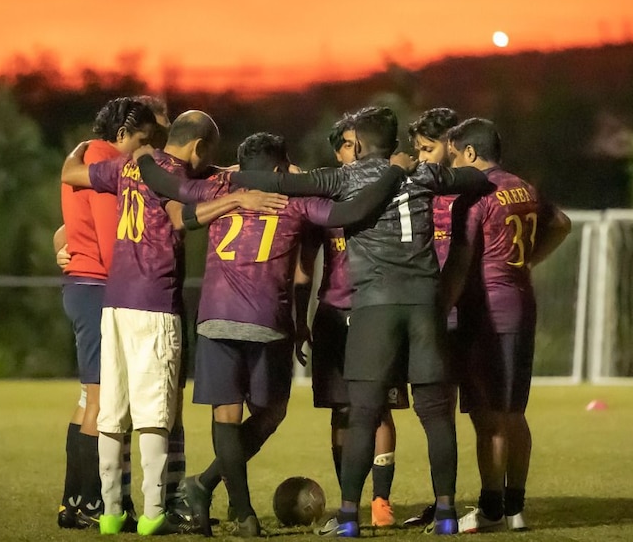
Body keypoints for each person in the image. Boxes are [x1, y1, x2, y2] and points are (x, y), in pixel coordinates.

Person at [186, 105, 493, 538]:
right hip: (425, 304)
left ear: (361, 144)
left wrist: (234, 178)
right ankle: (446, 513)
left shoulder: (342, 179)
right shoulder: (425, 176)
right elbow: (478, 178)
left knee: (362, 414)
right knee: (436, 414)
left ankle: (348, 518)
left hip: (373, 306)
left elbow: (275, 182)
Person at [145, 131, 416, 537]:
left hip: (217, 316)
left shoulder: (219, 188)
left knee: (226, 416)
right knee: (270, 414)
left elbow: (172, 190)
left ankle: (235, 509)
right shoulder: (294, 202)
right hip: (267, 321)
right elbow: (352, 211)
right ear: (277, 168)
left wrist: (146, 157)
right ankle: (217, 497)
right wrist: (394, 173)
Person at [61, 110, 283, 535]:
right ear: (199, 147)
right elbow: (185, 216)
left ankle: (109, 513)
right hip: (154, 303)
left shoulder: (129, 166)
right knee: (155, 413)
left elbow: (72, 172)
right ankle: (153, 513)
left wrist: (80, 147)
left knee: (113, 411)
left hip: (115, 304)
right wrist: (237, 198)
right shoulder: (182, 182)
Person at [440, 118, 571, 533]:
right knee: (514, 413)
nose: (455, 163)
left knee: (487, 416)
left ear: (471, 154)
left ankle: (491, 509)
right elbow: (562, 223)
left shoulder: (475, 194)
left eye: (456, 155)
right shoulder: (524, 188)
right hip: (520, 303)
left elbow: (460, 265)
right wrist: (528, 260)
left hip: (485, 313)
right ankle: (515, 508)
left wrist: (437, 309)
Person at [56, 97, 161, 530]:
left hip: (83, 285)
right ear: (122, 135)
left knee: (89, 399)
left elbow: (69, 229)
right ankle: (93, 502)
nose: (143, 151)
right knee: (103, 401)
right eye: (140, 141)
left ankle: (75, 501)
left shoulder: (85, 154)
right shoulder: (102, 158)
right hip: (98, 286)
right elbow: (107, 236)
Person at [304, 114, 408, 528]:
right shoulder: (327, 198)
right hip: (333, 310)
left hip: (377, 310)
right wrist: (300, 318)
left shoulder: (393, 190)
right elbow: (302, 265)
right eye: (346, 145)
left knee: (381, 408)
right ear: (338, 152)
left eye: (357, 143)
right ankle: (350, 499)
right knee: (340, 410)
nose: (354, 151)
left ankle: (381, 502)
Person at [401, 107, 462, 529]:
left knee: (444, 412)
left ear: (453, 146)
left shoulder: (471, 189)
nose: (422, 157)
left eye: (429, 148)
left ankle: (459, 505)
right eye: (418, 149)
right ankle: (445, 504)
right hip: (430, 311)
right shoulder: (423, 187)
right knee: (436, 413)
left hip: (455, 313)